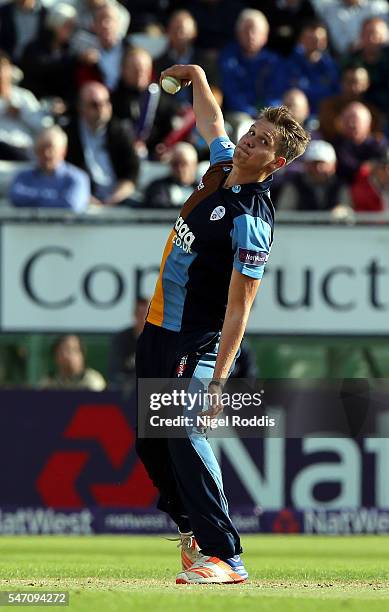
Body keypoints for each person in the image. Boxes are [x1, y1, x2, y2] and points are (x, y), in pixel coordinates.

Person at [136, 62, 310, 584]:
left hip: (200, 337)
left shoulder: (252, 218)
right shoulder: (221, 167)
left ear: (274, 162)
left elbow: (241, 307)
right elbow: (212, 122)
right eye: (251, 132)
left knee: (184, 427)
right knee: (149, 441)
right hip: (159, 329)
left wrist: (218, 380)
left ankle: (225, 556)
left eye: (259, 143)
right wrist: (196, 74)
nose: (247, 141)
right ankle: (193, 532)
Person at [65, 81, 139, 206]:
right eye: (94, 104)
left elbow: (131, 173)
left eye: (105, 102)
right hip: (81, 200)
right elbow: (65, 172)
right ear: (81, 107)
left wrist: (111, 201)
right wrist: (87, 199)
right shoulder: (68, 135)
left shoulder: (121, 132)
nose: (101, 108)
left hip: (119, 199)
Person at [111, 47, 180, 158]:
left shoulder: (162, 100)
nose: (139, 73)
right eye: (134, 68)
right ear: (123, 69)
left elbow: (171, 129)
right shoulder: (112, 101)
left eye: (143, 68)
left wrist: (164, 147)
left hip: (156, 158)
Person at [9, 125, 90, 211]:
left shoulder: (77, 178)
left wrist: (32, 199)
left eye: (51, 148)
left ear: (63, 151)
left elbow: (71, 204)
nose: (46, 154)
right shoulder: (23, 177)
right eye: (41, 148)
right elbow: (16, 198)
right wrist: (56, 196)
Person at [0, 50, 52, 161]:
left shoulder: (24, 96)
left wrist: (22, 113)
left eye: (3, 67)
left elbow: (44, 126)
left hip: (25, 154)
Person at [284, 19, 340, 116]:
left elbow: (336, 95)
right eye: (310, 38)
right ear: (301, 39)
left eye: (320, 39)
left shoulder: (332, 67)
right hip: (294, 118)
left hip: (323, 118)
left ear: (326, 41)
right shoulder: (289, 65)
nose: (316, 43)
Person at [276, 139, 351, 211]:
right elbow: (284, 213)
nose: (318, 169)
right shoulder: (293, 186)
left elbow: (348, 210)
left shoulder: (340, 187)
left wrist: (342, 211)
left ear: (333, 166)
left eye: (322, 164)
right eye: (313, 164)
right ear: (305, 165)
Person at [319, 66, 383, 142]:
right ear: (341, 83)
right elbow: (327, 129)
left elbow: (377, 136)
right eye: (349, 82)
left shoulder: (372, 111)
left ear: (367, 85)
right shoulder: (329, 105)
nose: (353, 87)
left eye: (357, 83)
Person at [333, 100, 387, 183]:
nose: (352, 124)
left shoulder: (379, 144)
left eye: (356, 120)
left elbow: (381, 167)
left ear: (368, 123)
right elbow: (344, 167)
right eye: (347, 120)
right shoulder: (336, 145)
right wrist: (365, 167)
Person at [107, 296, 149, 388]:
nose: (143, 318)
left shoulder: (162, 339)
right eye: (140, 314)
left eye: (147, 314)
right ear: (134, 315)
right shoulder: (121, 339)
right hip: (127, 388)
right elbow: (114, 370)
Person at [40, 334, 106, 390]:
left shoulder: (92, 380)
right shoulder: (48, 382)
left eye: (74, 350)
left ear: (82, 355)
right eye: (63, 350)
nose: (67, 355)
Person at [143, 142, 198, 208]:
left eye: (184, 163)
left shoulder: (204, 189)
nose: (179, 168)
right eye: (175, 164)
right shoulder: (157, 188)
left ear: (194, 165)